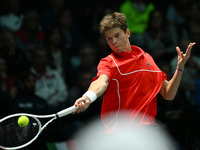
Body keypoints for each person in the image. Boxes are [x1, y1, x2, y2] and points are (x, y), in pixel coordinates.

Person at [73, 12, 196, 133]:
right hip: (121, 132)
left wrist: (180, 68)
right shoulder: (108, 62)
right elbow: (101, 82)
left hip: (147, 131)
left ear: (127, 33)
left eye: (117, 35)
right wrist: (88, 97)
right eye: (109, 38)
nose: (113, 41)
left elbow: (168, 93)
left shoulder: (147, 58)